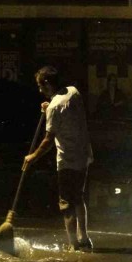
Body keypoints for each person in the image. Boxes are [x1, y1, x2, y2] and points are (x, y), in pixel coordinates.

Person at [23, 65, 94, 251]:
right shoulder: (73, 92)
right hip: (83, 154)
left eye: (40, 86)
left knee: (65, 203)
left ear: (47, 83)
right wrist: (49, 106)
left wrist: (33, 157)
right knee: (78, 197)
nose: (39, 90)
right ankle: (84, 238)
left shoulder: (54, 107)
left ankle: (73, 244)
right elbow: (66, 111)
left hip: (67, 160)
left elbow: (48, 140)